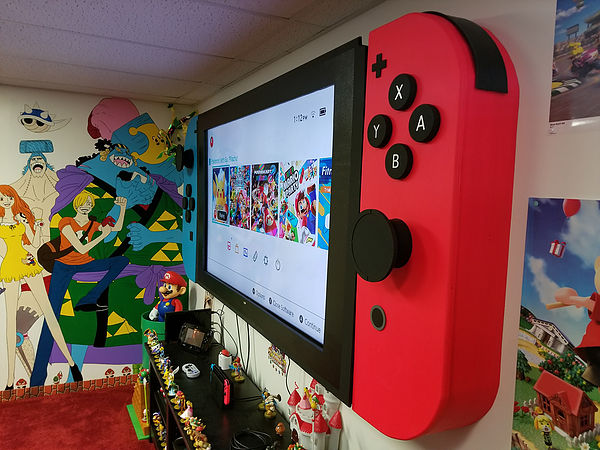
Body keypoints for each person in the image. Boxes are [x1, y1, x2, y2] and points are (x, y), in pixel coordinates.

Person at [30, 190, 128, 386]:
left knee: (121, 261)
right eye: (83, 203)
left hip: (85, 264)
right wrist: (101, 237)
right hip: (63, 266)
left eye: (89, 204)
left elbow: (116, 227)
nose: (86, 206)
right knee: (51, 317)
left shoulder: (93, 224)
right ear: (76, 205)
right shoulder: (66, 222)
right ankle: (37, 379)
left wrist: (122, 207)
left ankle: (92, 295)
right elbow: (80, 248)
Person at [0, 185, 81, 389]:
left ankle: (72, 363)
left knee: (50, 313)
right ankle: (9, 380)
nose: (6, 201)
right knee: (11, 322)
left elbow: (33, 244)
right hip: (10, 267)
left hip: (28, 262)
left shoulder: (20, 219)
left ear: (13, 198)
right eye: (1, 199)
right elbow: (3, 251)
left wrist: (29, 225)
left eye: (8, 197)